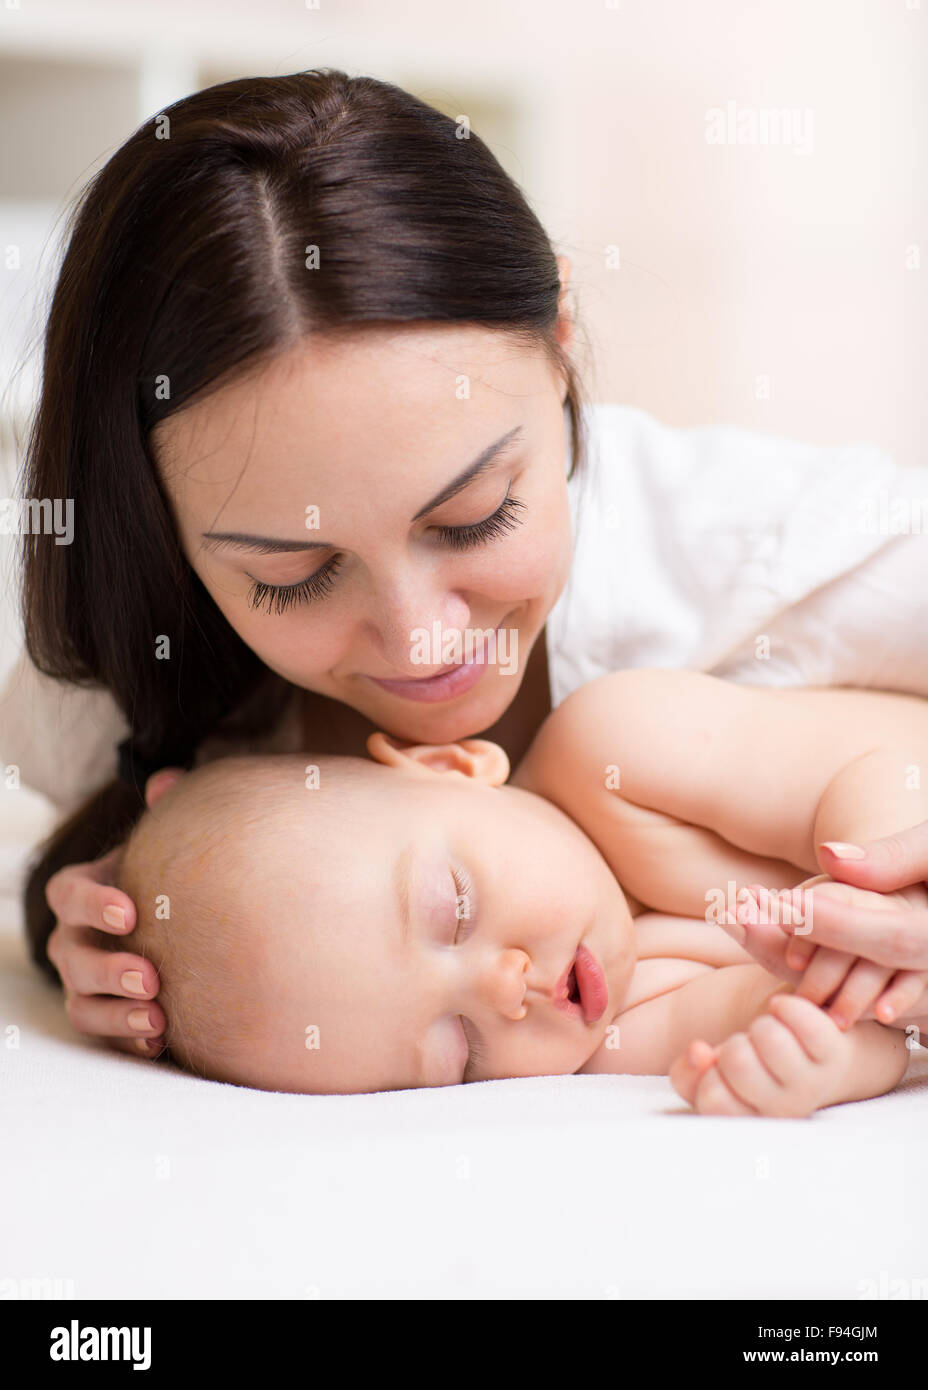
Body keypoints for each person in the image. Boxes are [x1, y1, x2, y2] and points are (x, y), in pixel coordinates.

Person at [3, 70, 927, 1062]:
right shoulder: (117, 694)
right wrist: (107, 946)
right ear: (160, 524)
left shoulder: (767, 550)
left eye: (475, 516)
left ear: (559, 341)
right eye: (295, 571)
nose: (419, 638)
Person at [95, 667, 928, 1114]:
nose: (506, 990)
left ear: (454, 768)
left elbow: (872, 768)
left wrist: (881, 903)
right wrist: (810, 1061)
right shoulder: (608, 1045)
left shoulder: (613, 749)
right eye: (459, 1051)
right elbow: (879, 1033)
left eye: (454, 908)